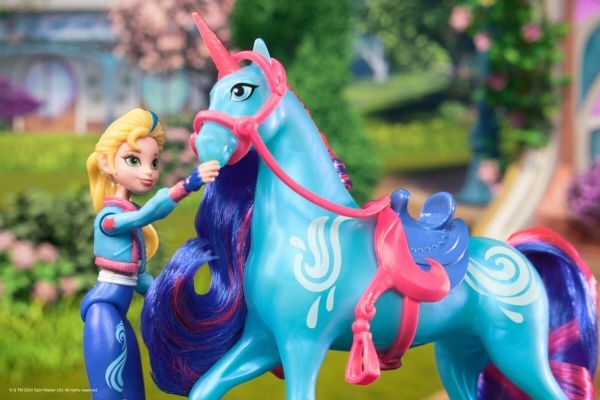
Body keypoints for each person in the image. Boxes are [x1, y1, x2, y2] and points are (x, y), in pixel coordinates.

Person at [80, 108, 219, 400]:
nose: (148, 171)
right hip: (103, 312)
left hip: (117, 315)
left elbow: (141, 280)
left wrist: (176, 302)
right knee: (108, 393)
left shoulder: (128, 220)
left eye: (153, 162)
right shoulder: (109, 220)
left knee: (133, 392)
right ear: (106, 163)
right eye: (134, 160)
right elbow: (144, 216)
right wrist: (187, 185)